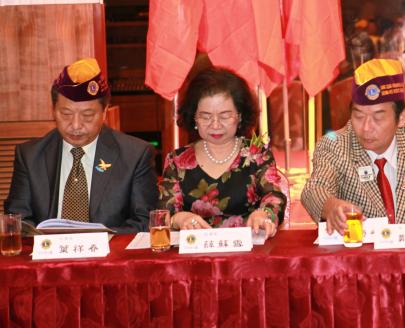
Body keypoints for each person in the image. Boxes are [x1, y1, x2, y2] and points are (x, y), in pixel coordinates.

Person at [5, 58, 158, 233]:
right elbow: (17, 222)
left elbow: (144, 222)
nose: (76, 125)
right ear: (53, 110)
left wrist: (97, 240)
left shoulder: (134, 155)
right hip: (48, 250)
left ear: (104, 112)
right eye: (66, 114)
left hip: (109, 249)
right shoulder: (30, 156)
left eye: (87, 115)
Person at [301, 59, 405, 234]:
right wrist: (330, 206)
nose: (366, 127)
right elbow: (314, 189)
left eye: (378, 118)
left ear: (401, 117)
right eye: (359, 116)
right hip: (360, 250)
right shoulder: (335, 145)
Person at [158, 67, 286, 237]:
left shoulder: (257, 155)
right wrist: (179, 219)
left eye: (225, 116)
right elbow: (164, 213)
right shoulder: (177, 160)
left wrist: (264, 214)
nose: (215, 125)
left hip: (247, 247)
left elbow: (274, 197)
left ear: (240, 116)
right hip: (195, 249)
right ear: (194, 117)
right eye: (205, 116)